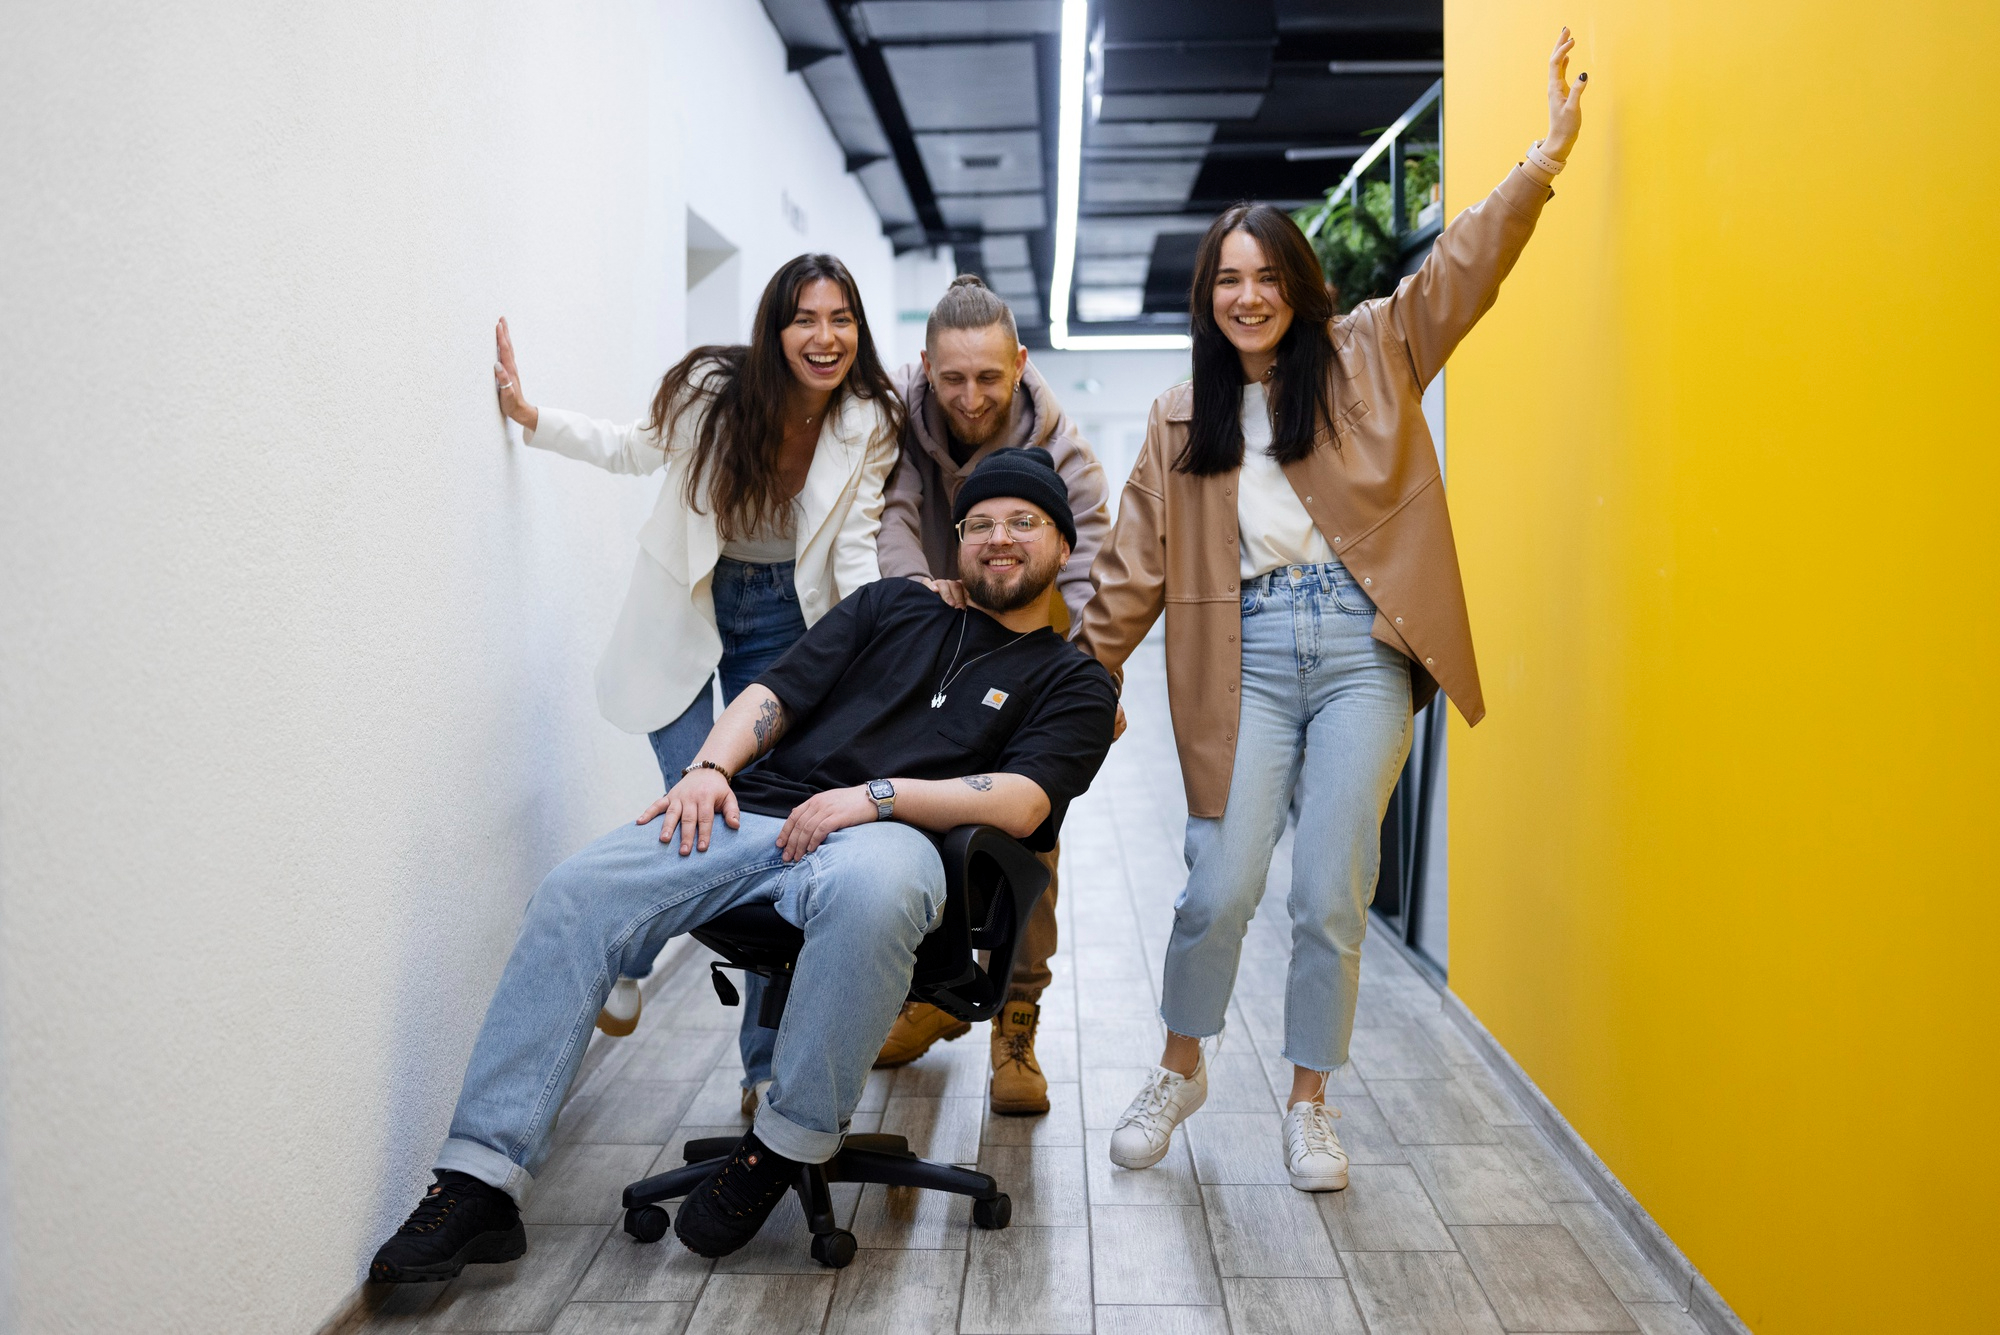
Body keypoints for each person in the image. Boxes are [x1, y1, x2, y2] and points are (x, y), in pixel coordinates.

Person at [368, 448, 1118, 1280]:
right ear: (959, 540)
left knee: (873, 891)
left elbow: (1022, 800)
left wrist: (875, 797)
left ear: (1063, 542)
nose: (998, 538)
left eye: (1023, 523)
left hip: (896, 837)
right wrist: (709, 769)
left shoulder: (1075, 680)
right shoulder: (890, 605)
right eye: (980, 524)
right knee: (577, 891)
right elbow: (774, 694)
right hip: (759, 813)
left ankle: (783, 1143)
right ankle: (478, 1180)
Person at [1078, 30, 1589, 1192]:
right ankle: (1178, 1068)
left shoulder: (1371, 352)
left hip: (1361, 650)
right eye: (1227, 280)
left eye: (1265, 276)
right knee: (1218, 885)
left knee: (1327, 892)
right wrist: (1075, 679)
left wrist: (1542, 159)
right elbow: (1127, 572)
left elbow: (1463, 265)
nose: (1247, 296)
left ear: (1296, 286)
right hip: (1246, 658)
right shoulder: (1178, 417)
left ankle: (1310, 1103)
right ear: (1207, 299)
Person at [493, 253, 903, 1104]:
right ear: (775, 328)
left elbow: (856, 545)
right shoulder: (711, 392)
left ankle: (759, 1063)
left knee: (766, 829)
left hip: (788, 619)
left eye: (841, 319)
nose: (825, 337)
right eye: (805, 319)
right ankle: (633, 953)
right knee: (697, 808)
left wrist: (879, 652)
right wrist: (534, 419)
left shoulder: (868, 418)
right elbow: (631, 449)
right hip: (689, 602)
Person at [870, 275, 1112, 1116]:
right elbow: (894, 514)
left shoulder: (1066, 448)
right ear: (924, 367)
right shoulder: (902, 417)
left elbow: (1096, 567)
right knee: (915, 815)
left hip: (1031, 644)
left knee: (1026, 831)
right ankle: (938, 993)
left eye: (988, 377)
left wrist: (1090, 680)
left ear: (1019, 363)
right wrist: (918, 607)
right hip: (936, 640)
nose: (970, 397)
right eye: (952, 378)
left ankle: (1016, 1016)